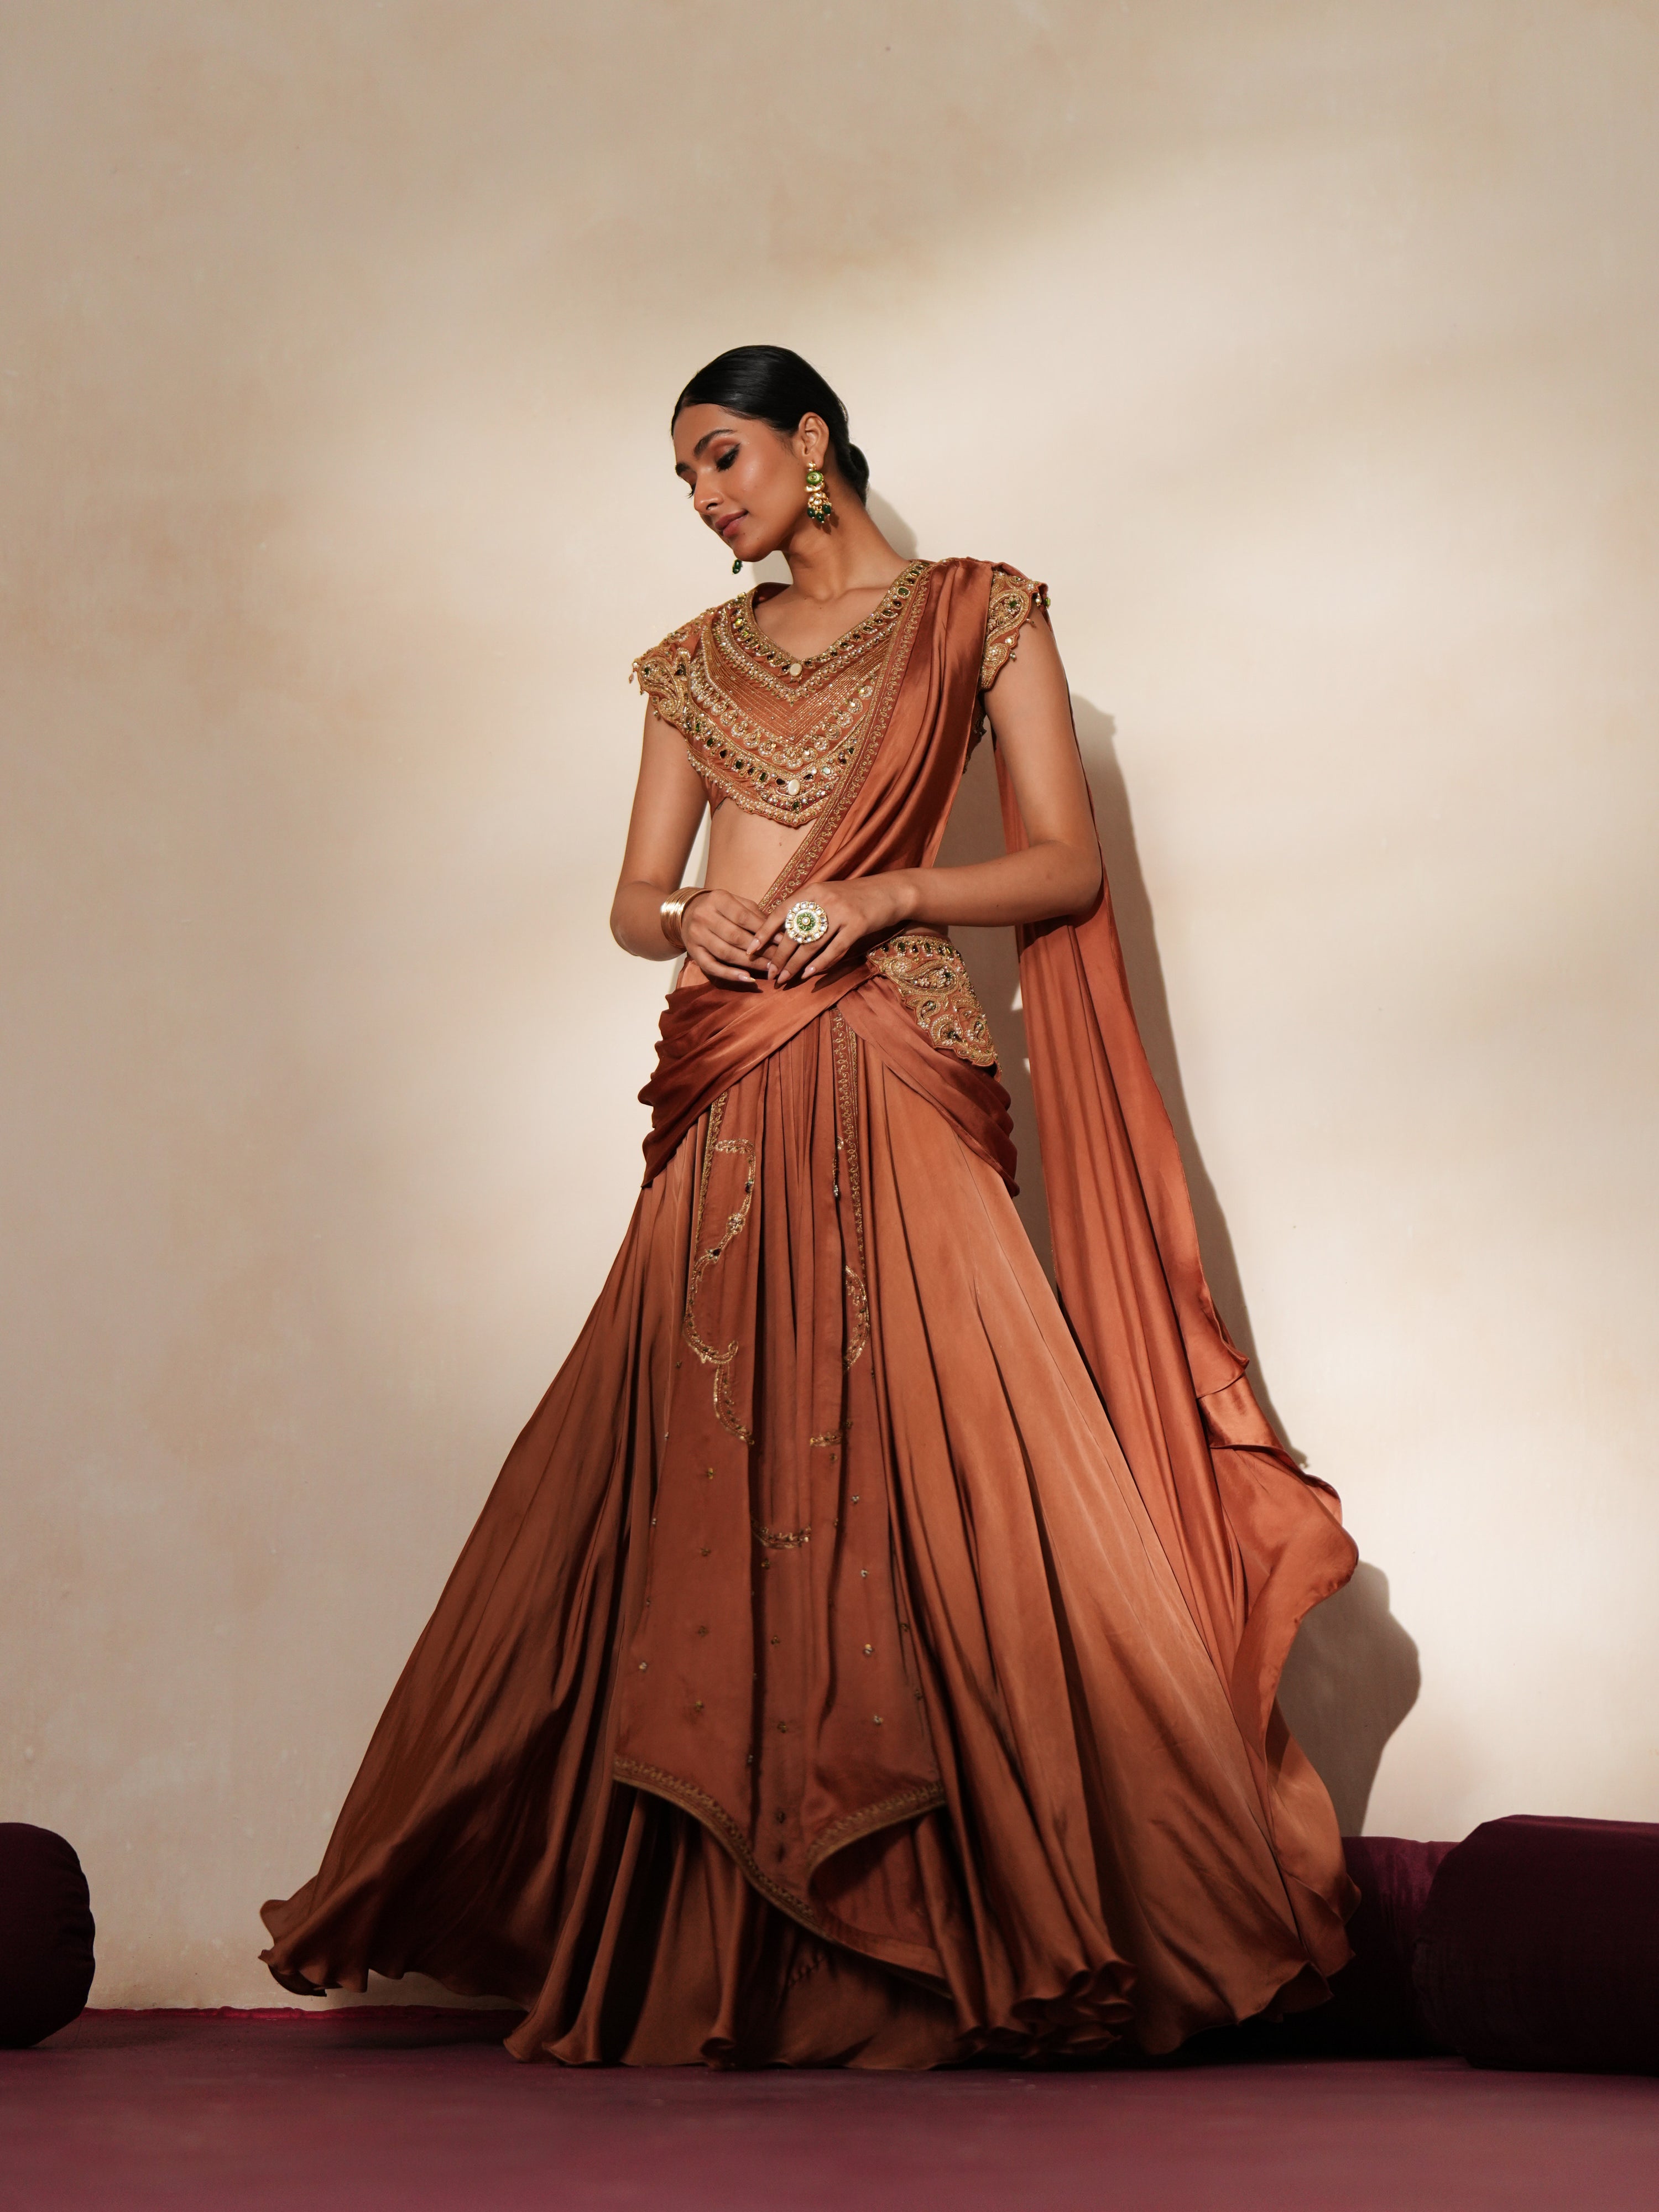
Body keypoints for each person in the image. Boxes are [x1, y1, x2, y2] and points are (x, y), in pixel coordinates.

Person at [260, 345, 1358, 2067]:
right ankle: (717, 1948)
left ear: (813, 442)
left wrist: (889, 888)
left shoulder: (976, 613)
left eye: (725, 456)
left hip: (904, 1056)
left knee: (964, 1459)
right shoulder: (693, 664)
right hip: (733, 1073)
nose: (708, 497)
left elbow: (1061, 862)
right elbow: (634, 896)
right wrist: (683, 915)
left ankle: (990, 1922)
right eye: (686, 477)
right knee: (701, 1457)